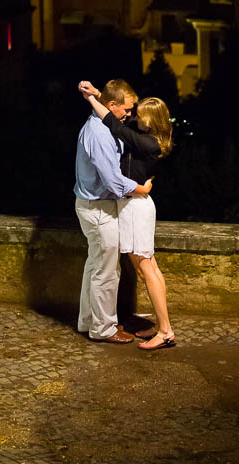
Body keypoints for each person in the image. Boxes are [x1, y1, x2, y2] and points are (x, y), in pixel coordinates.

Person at [79, 81, 175, 351]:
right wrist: (101, 95)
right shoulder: (142, 130)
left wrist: (92, 99)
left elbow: (116, 123)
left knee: (146, 269)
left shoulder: (147, 143)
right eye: (131, 111)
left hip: (135, 206)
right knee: (148, 267)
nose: (132, 115)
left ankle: (165, 330)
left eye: (137, 114)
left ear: (150, 120)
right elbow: (117, 112)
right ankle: (163, 328)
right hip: (132, 203)